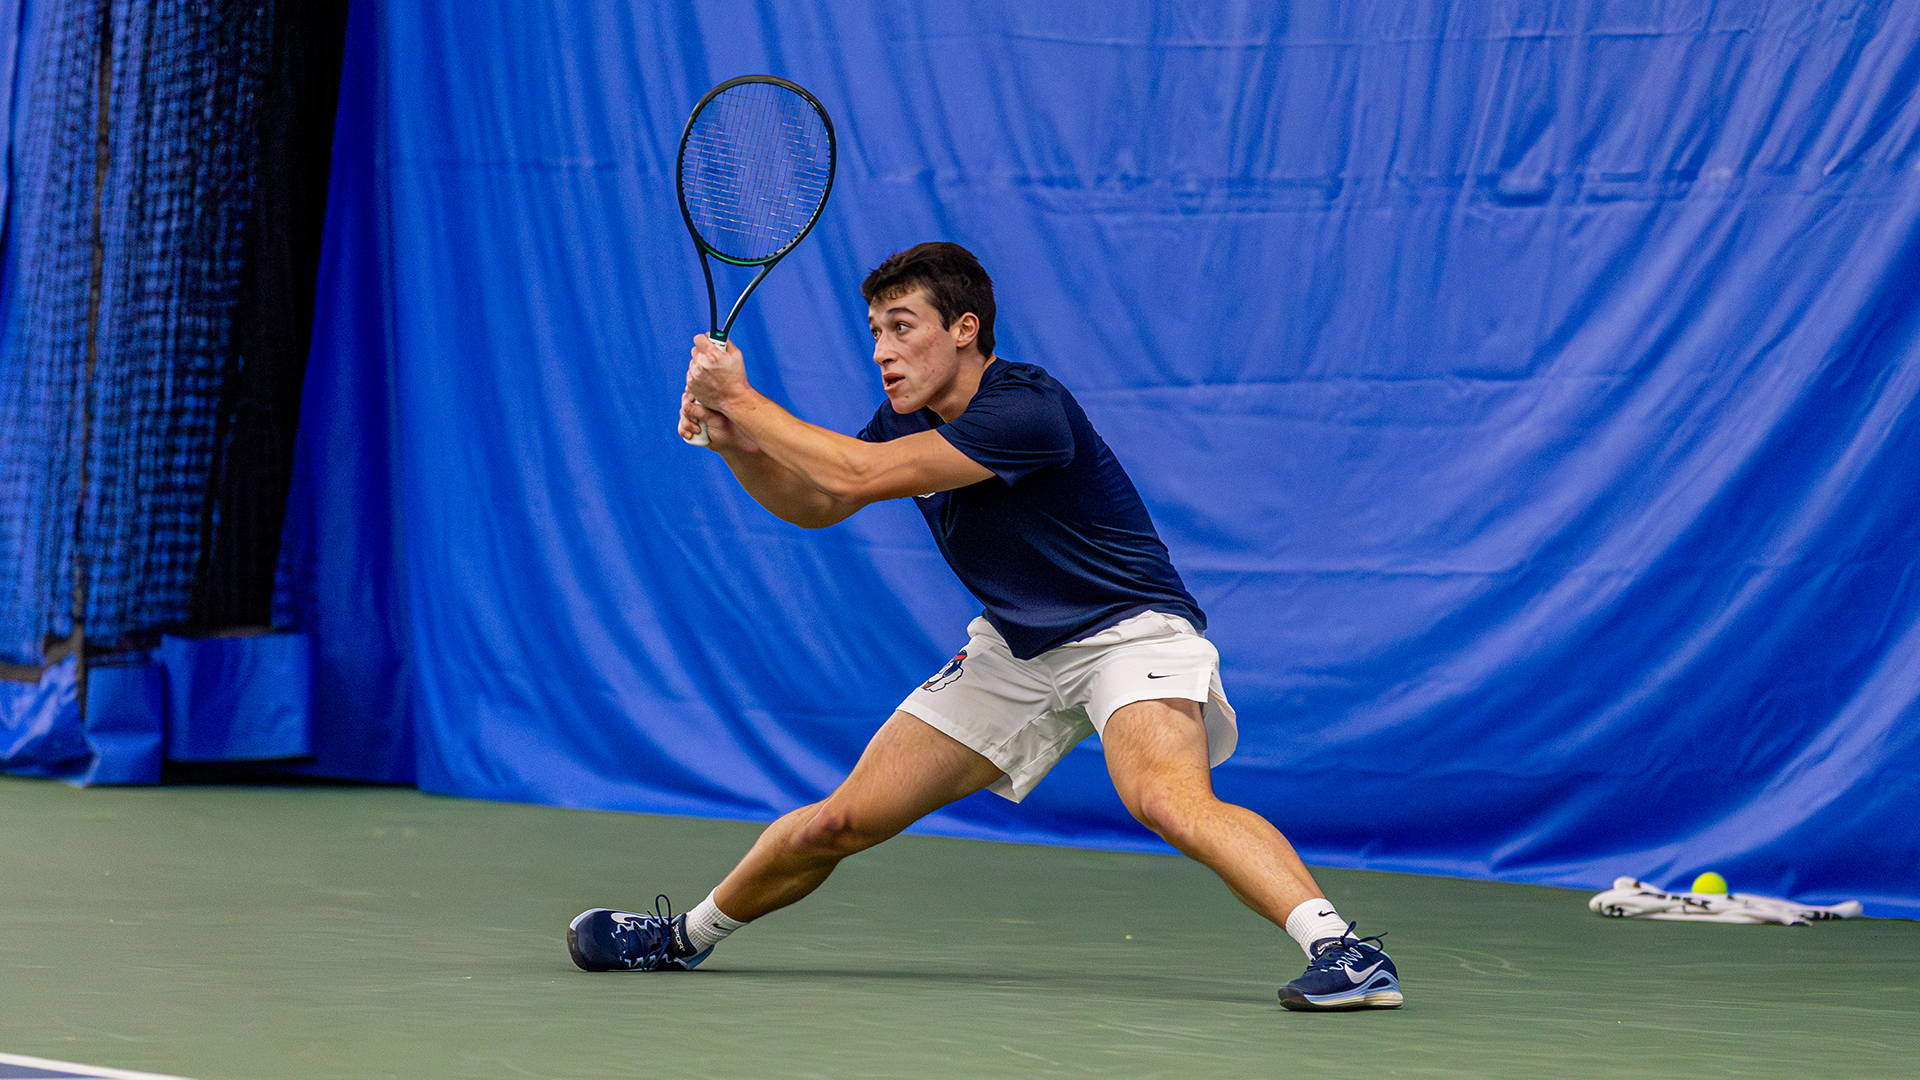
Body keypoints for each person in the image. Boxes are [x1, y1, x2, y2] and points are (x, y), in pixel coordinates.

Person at [567, 242, 1402, 1010]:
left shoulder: (1026, 407)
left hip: (1126, 634)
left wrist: (741, 399)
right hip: (1014, 649)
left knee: (1167, 799)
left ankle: (1345, 952)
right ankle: (682, 939)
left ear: (965, 330)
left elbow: (856, 472)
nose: (882, 350)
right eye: (874, 331)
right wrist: (733, 444)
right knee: (838, 822)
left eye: (902, 327)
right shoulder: (901, 418)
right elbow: (820, 501)